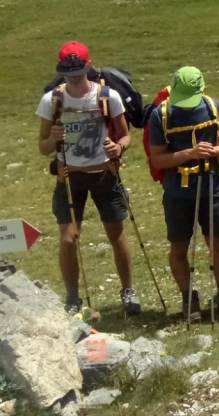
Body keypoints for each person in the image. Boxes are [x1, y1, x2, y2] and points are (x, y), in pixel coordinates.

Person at [36, 40, 140, 317]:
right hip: (69, 175)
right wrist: (53, 139)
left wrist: (119, 147)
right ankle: (72, 296)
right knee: (69, 239)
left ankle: (128, 291)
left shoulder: (108, 96)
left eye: (78, 73)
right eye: (68, 74)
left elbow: (125, 134)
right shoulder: (52, 101)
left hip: (104, 172)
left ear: (88, 66)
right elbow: (42, 146)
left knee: (116, 234)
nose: (74, 78)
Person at [147, 66, 219, 318]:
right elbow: (158, 160)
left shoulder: (213, 107)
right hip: (178, 190)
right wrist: (190, 153)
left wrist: (213, 151)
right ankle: (189, 299)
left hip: (211, 184)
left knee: (217, 243)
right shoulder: (161, 115)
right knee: (179, 247)